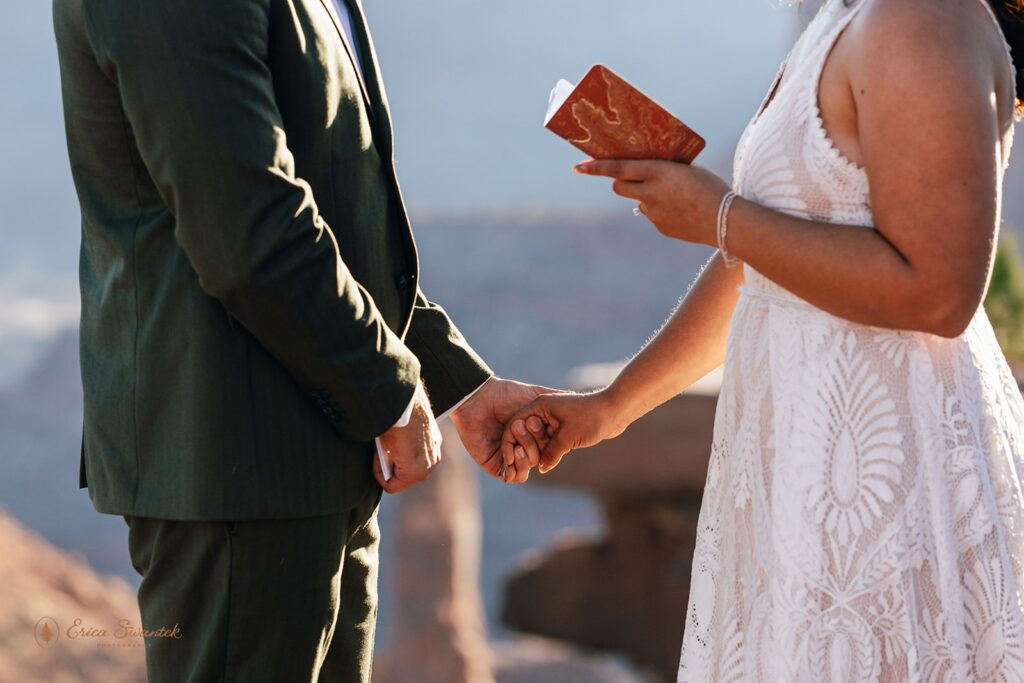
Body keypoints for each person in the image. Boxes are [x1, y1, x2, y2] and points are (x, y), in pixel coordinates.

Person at [505, 0, 1024, 679]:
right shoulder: (845, 18)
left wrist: (718, 215)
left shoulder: (917, 17)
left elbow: (940, 290)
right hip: (798, 479)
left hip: (884, 488)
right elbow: (765, 270)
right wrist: (612, 407)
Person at [52, 0, 552, 680]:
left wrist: (455, 381)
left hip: (316, 465)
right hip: (236, 466)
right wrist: (389, 395)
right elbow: (247, 230)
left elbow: (336, 211)